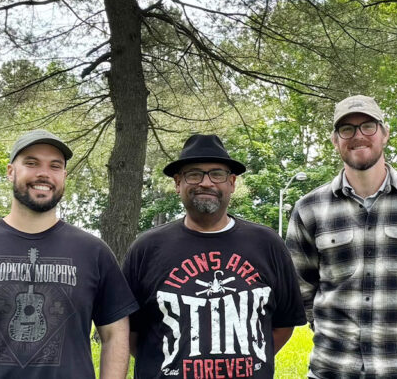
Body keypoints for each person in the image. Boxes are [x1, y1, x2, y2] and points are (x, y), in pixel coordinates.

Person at [0, 129, 138, 378]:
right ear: (11, 171)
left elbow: (115, 334)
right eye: (31, 163)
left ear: (64, 175)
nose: (43, 173)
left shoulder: (94, 252)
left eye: (55, 166)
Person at [285, 95, 397, 378]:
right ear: (335, 140)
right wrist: (328, 329)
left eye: (368, 126)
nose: (358, 136)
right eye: (347, 129)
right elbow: (301, 286)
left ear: (385, 133)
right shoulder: (309, 208)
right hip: (334, 367)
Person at [123, 134, 306, 378]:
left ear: (231, 182)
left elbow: (283, 324)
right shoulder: (146, 248)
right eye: (194, 174)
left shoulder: (267, 244)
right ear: (178, 183)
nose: (206, 183)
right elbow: (128, 332)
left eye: (217, 174)